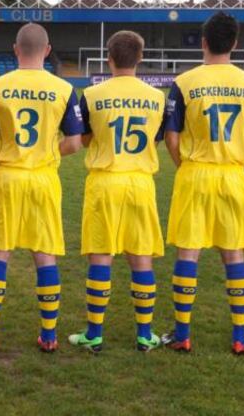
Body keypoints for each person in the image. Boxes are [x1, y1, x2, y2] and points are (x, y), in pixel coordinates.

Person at [161, 11, 244, 355]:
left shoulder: (184, 82)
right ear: (235, 43)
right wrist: (237, 159)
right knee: (233, 253)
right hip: (232, 175)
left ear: (204, 42)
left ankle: (182, 334)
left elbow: (172, 137)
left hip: (195, 173)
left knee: (188, 252)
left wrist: (186, 165)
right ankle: (239, 336)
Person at [0, 22, 83, 355]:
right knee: (44, 255)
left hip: (7, 176)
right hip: (43, 179)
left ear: (15, 48)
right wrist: (47, 153)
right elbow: (76, 143)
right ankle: (48, 335)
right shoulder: (64, 89)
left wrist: (7, 151)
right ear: (47, 51)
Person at [68, 30, 165, 353]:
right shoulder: (157, 97)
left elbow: (81, 138)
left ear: (108, 58)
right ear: (140, 58)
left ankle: (94, 333)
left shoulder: (93, 94)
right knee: (141, 259)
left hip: (104, 181)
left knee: (101, 256)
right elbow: (156, 137)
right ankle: (144, 334)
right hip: (140, 182)